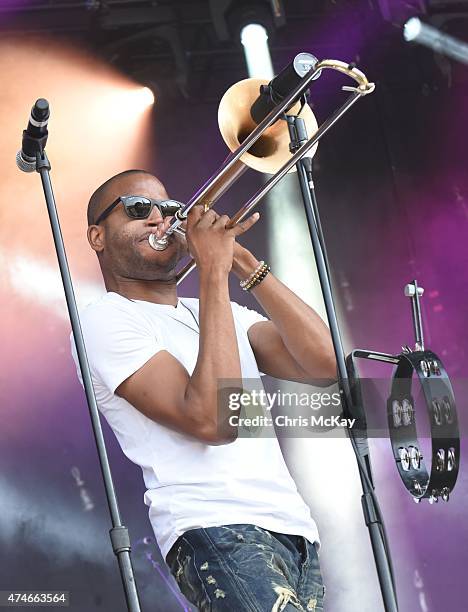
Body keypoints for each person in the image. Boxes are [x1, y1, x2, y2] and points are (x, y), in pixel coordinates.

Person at [71, 169, 337, 611]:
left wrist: (245, 264)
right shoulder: (106, 319)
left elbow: (324, 365)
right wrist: (213, 271)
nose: (160, 219)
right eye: (139, 209)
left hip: (294, 529)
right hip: (216, 527)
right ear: (97, 236)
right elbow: (214, 421)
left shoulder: (215, 312)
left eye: (170, 209)